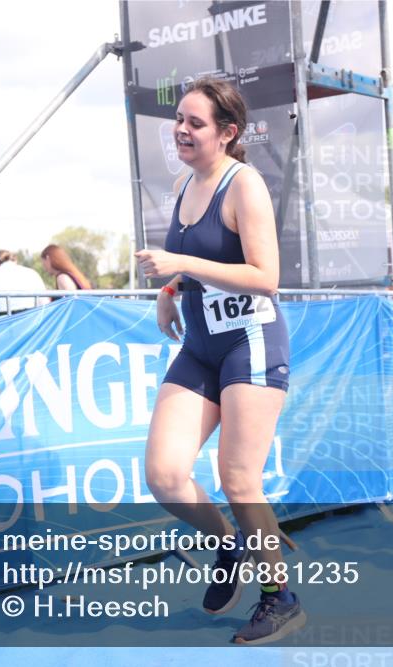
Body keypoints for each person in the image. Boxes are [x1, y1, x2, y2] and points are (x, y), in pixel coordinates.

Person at [133, 77, 304, 645]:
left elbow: (265, 277)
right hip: (201, 344)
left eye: (195, 122)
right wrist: (170, 288)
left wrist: (178, 261)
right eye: (178, 119)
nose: (181, 129)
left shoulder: (244, 184)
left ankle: (280, 597)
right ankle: (229, 543)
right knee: (163, 475)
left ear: (228, 133)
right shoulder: (185, 182)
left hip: (250, 342)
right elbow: (205, 259)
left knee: (238, 478)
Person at [0, 249, 50, 318]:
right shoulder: (32, 273)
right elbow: (44, 304)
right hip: (30, 323)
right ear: (15, 260)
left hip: (1, 325)